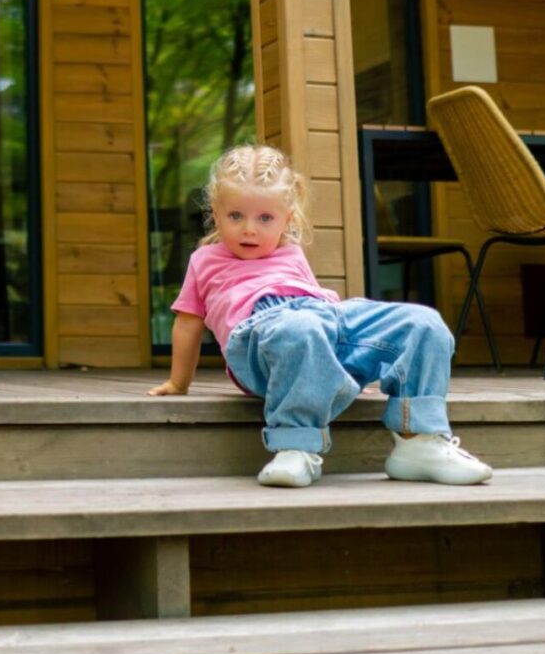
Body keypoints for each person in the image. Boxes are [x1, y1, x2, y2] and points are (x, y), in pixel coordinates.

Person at [150, 145, 493, 489]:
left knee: (423, 323)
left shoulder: (291, 252)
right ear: (215, 212)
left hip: (323, 319)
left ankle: (419, 442)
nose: (249, 230)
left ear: (288, 218)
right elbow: (187, 322)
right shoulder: (205, 259)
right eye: (235, 216)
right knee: (301, 328)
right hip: (261, 340)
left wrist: (347, 365)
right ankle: (295, 448)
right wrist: (179, 383)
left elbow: (322, 312)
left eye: (265, 218)